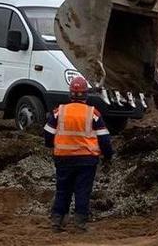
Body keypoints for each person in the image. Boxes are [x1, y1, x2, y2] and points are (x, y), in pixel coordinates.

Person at [44, 76, 114, 232]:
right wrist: (108, 155)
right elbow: (104, 138)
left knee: (62, 189)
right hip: (86, 160)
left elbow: (48, 133)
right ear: (86, 94)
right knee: (82, 190)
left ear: (70, 94)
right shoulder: (93, 113)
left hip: (63, 158)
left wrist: (51, 145)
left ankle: (57, 221)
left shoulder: (59, 112)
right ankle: (80, 223)